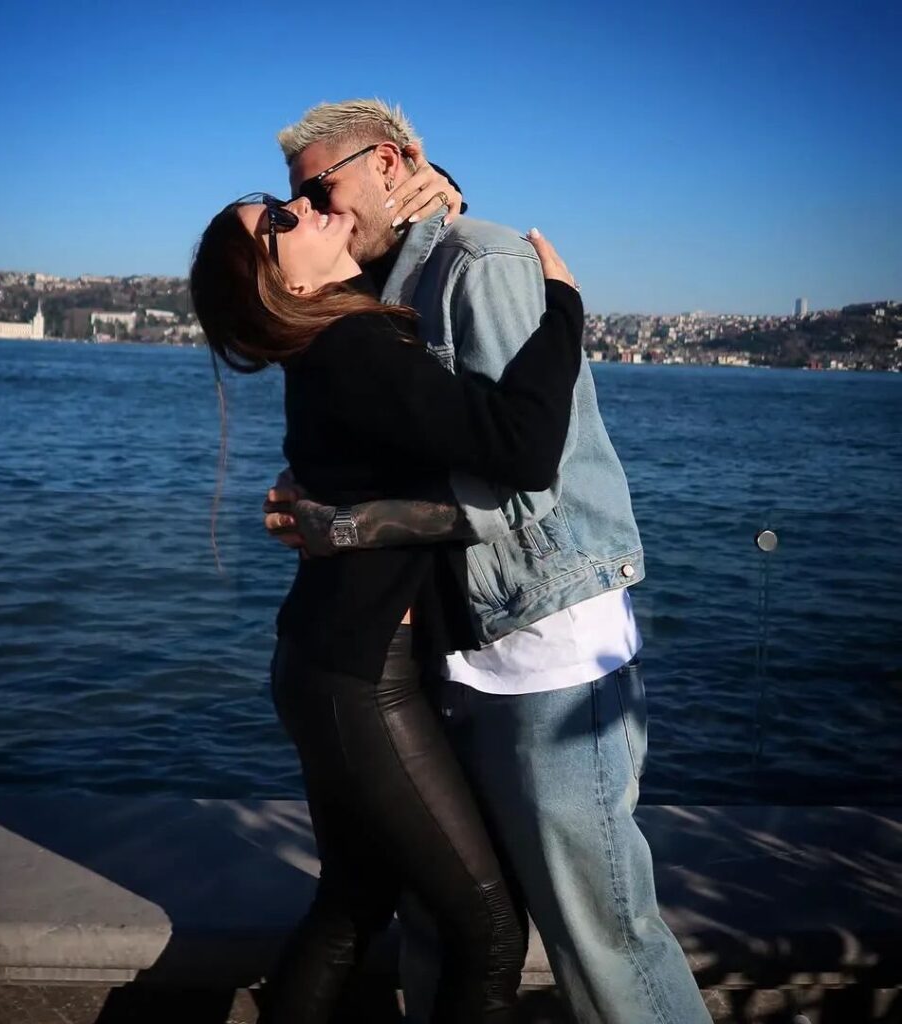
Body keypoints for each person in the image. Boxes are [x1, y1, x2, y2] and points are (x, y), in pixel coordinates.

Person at [263, 99, 713, 1024]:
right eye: (293, 201)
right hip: (452, 648)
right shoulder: (376, 288)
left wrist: (352, 525)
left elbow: (526, 475)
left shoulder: (484, 263)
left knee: (600, 936)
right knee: (444, 922)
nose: (306, 211)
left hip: (547, 643)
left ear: (388, 164)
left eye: (319, 189)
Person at [189, 182, 586, 1024]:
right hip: (362, 680)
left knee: (353, 902)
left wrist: (438, 189)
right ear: (290, 284)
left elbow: (395, 247)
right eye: (279, 223)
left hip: (323, 661)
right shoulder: (354, 347)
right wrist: (564, 309)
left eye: (289, 198)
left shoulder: (336, 342)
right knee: (488, 932)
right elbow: (522, 448)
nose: (301, 206)